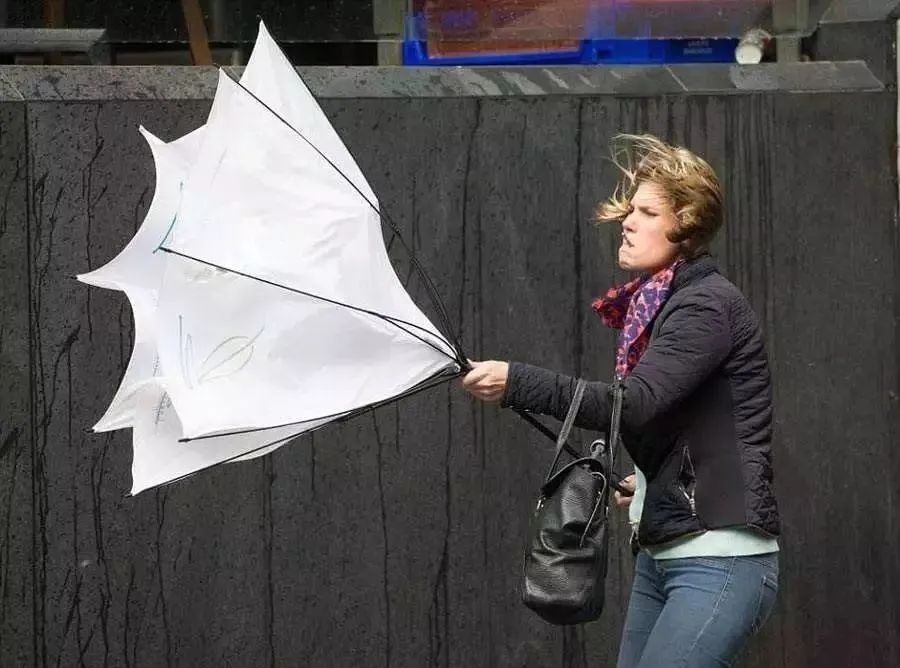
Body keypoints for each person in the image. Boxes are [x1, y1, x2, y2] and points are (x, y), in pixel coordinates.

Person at [462, 134, 780, 667]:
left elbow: (635, 403)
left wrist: (519, 382)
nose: (628, 222)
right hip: (664, 553)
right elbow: (687, 419)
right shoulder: (661, 303)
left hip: (719, 558)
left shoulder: (704, 305)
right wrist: (652, 481)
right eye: (631, 210)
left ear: (686, 225)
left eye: (648, 212)